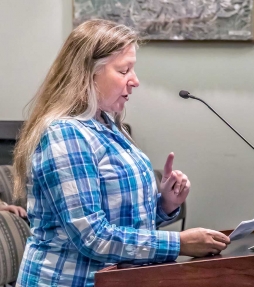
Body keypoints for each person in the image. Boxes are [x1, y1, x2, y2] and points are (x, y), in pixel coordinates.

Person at [14, 19, 230, 287]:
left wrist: (165, 204)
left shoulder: (108, 124)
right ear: (88, 73)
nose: (135, 81)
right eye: (124, 70)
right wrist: (180, 243)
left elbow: (124, 220)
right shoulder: (66, 133)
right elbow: (93, 237)